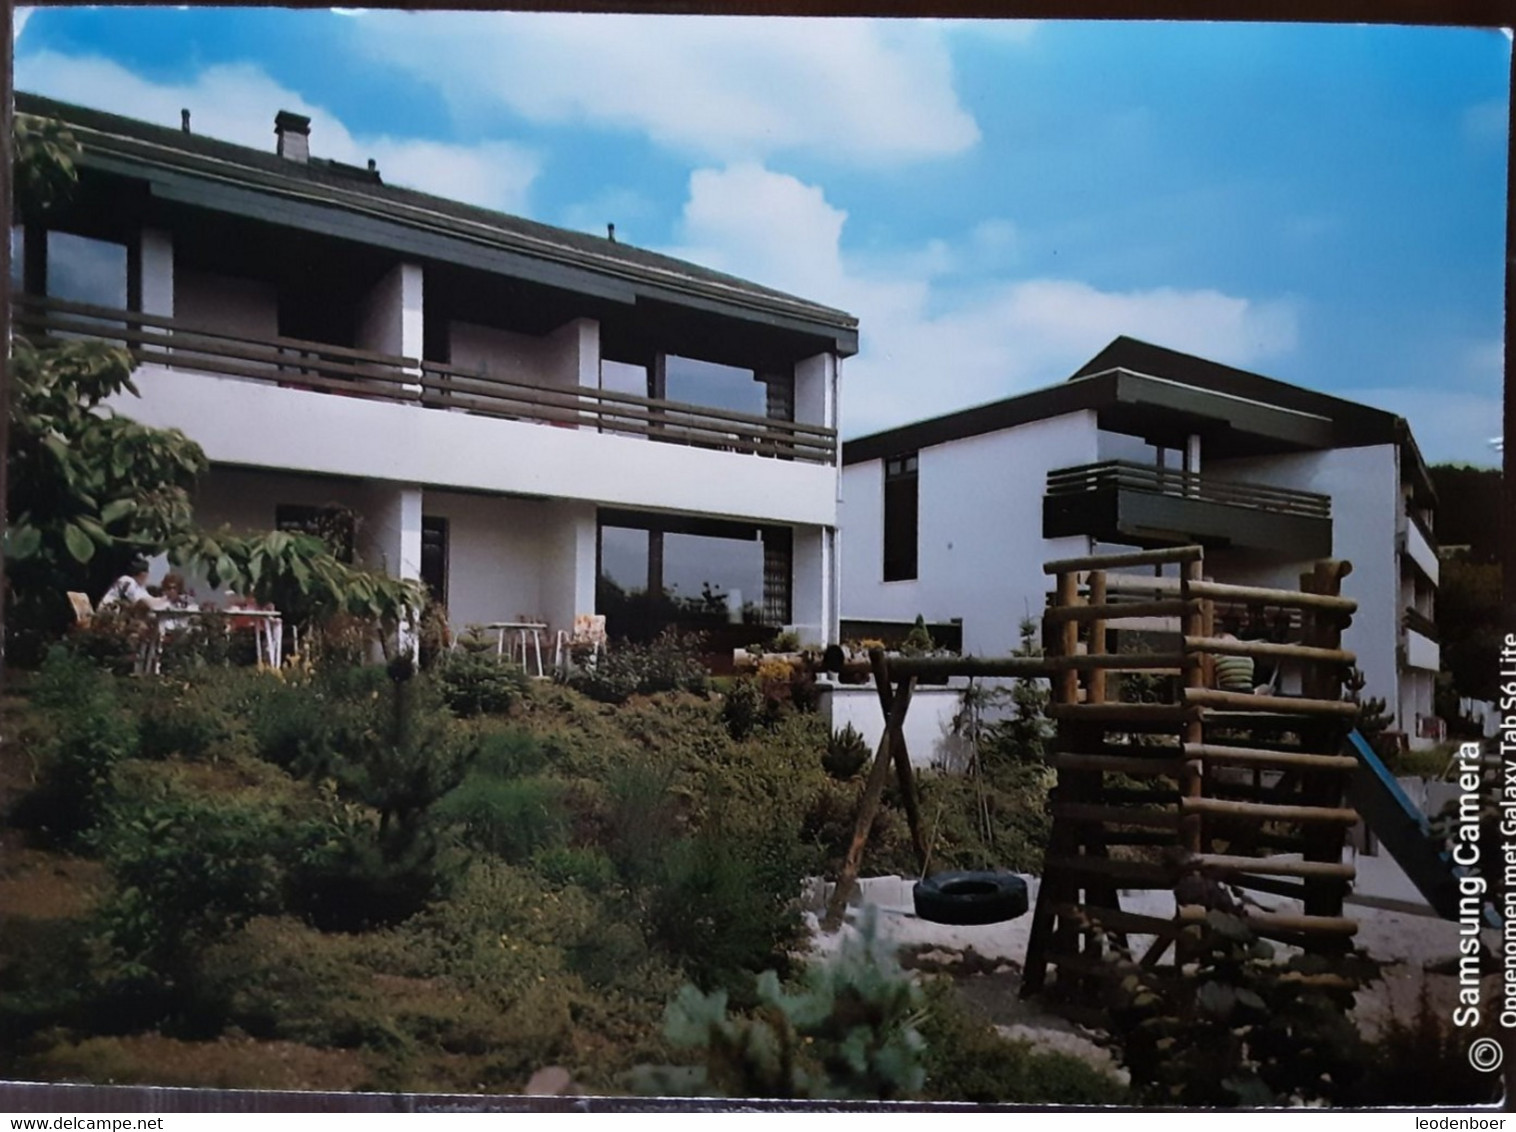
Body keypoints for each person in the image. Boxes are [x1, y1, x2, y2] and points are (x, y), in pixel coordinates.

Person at [100, 558, 165, 610]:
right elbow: (139, 600)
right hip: (108, 610)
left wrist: (166, 600)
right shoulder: (126, 580)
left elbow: (148, 598)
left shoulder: (140, 587)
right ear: (142, 574)